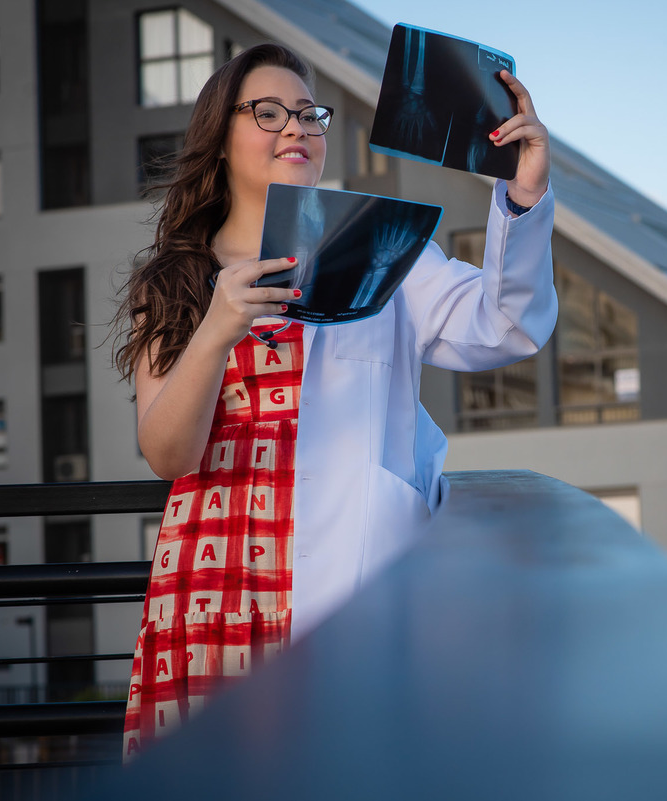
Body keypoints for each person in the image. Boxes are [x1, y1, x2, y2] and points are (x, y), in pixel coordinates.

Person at [111, 43, 555, 760]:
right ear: (220, 140)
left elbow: (504, 327)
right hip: (216, 587)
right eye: (268, 112)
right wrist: (219, 327)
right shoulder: (176, 281)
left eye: (308, 114)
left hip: (352, 586)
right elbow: (168, 452)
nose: (297, 127)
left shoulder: (377, 244)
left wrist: (524, 197)